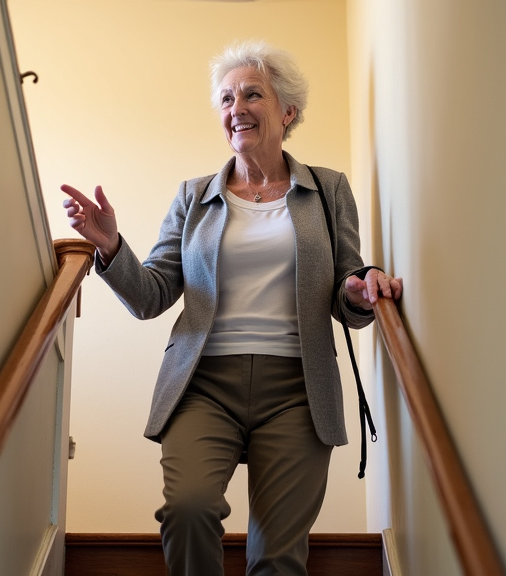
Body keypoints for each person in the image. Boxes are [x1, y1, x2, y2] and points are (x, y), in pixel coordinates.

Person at [61, 39, 403, 576]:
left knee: (277, 554)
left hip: (299, 389)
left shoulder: (329, 189)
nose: (236, 108)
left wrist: (361, 289)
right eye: (225, 99)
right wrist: (109, 247)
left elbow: (347, 287)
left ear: (288, 111)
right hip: (202, 384)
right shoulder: (193, 197)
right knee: (188, 510)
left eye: (252, 94)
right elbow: (152, 295)